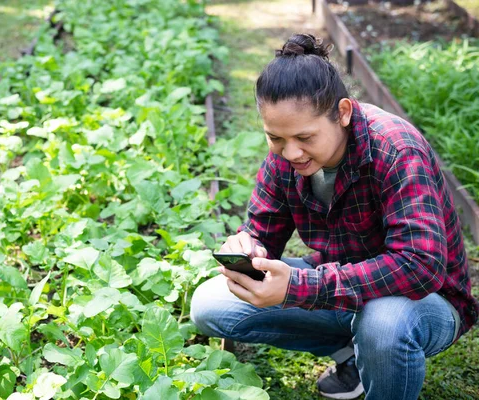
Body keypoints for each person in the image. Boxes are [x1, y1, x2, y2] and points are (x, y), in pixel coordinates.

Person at [190, 33, 479, 400]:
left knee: (383, 323)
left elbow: (420, 265)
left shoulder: (395, 149)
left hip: (425, 302)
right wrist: (249, 248)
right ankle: (354, 357)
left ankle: (375, 349)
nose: (291, 152)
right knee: (210, 304)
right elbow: (263, 229)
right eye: (275, 138)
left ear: (342, 113)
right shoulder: (286, 154)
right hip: (345, 285)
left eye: (305, 137)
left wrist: (299, 286)